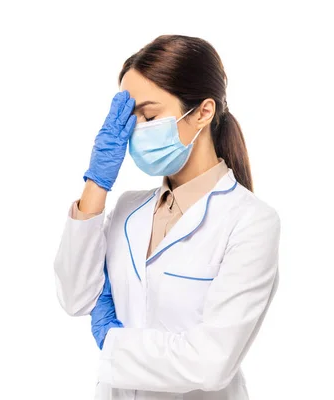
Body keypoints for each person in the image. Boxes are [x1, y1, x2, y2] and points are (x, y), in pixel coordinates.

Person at [53, 35, 280, 400]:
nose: (134, 131)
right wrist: (96, 182)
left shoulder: (251, 222)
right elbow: (75, 296)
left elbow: (211, 362)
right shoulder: (128, 208)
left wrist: (114, 342)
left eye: (149, 115)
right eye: (128, 118)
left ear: (203, 112)